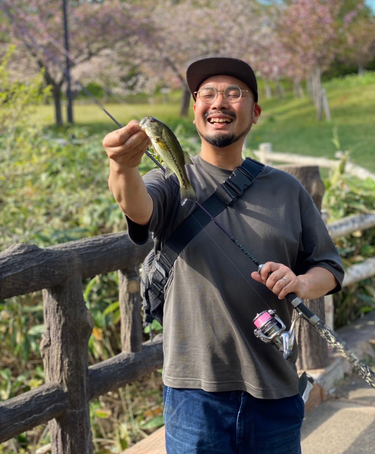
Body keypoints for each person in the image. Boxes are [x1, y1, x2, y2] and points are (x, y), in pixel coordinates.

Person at [103, 56, 344, 454]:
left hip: (276, 391)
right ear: (195, 111)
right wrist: (121, 166)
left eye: (234, 93)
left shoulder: (287, 189)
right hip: (194, 395)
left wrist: (300, 282)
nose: (219, 102)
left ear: (255, 112)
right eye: (207, 94)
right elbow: (137, 207)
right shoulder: (167, 180)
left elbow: (329, 268)